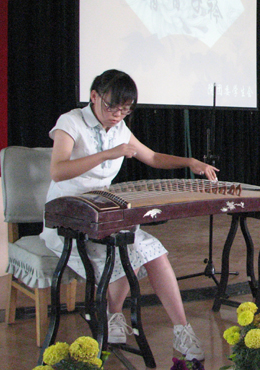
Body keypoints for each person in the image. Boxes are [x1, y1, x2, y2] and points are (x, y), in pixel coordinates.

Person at [40, 69, 218, 361]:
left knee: (152, 251)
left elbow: (152, 157)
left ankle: (182, 329)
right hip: (68, 216)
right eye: (113, 107)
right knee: (123, 253)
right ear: (94, 96)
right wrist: (106, 154)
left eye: (125, 110)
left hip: (103, 212)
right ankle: (112, 314)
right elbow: (58, 171)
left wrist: (190, 162)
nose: (118, 115)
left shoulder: (120, 129)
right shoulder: (70, 122)